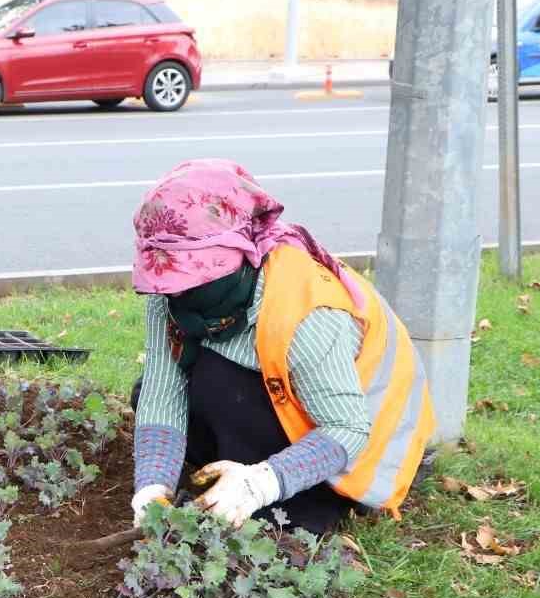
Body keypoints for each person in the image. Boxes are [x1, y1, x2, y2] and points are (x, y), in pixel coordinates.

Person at [129, 159, 434, 535]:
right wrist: (152, 486)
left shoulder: (306, 312)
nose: (175, 292)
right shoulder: (170, 294)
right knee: (148, 389)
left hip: (365, 440)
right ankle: (238, 473)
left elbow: (349, 429)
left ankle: (308, 500)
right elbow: (162, 392)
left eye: (188, 277)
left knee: (219, 382)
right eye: (167, 280)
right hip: (284, 409)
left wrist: (262, 483)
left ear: (241, 255)